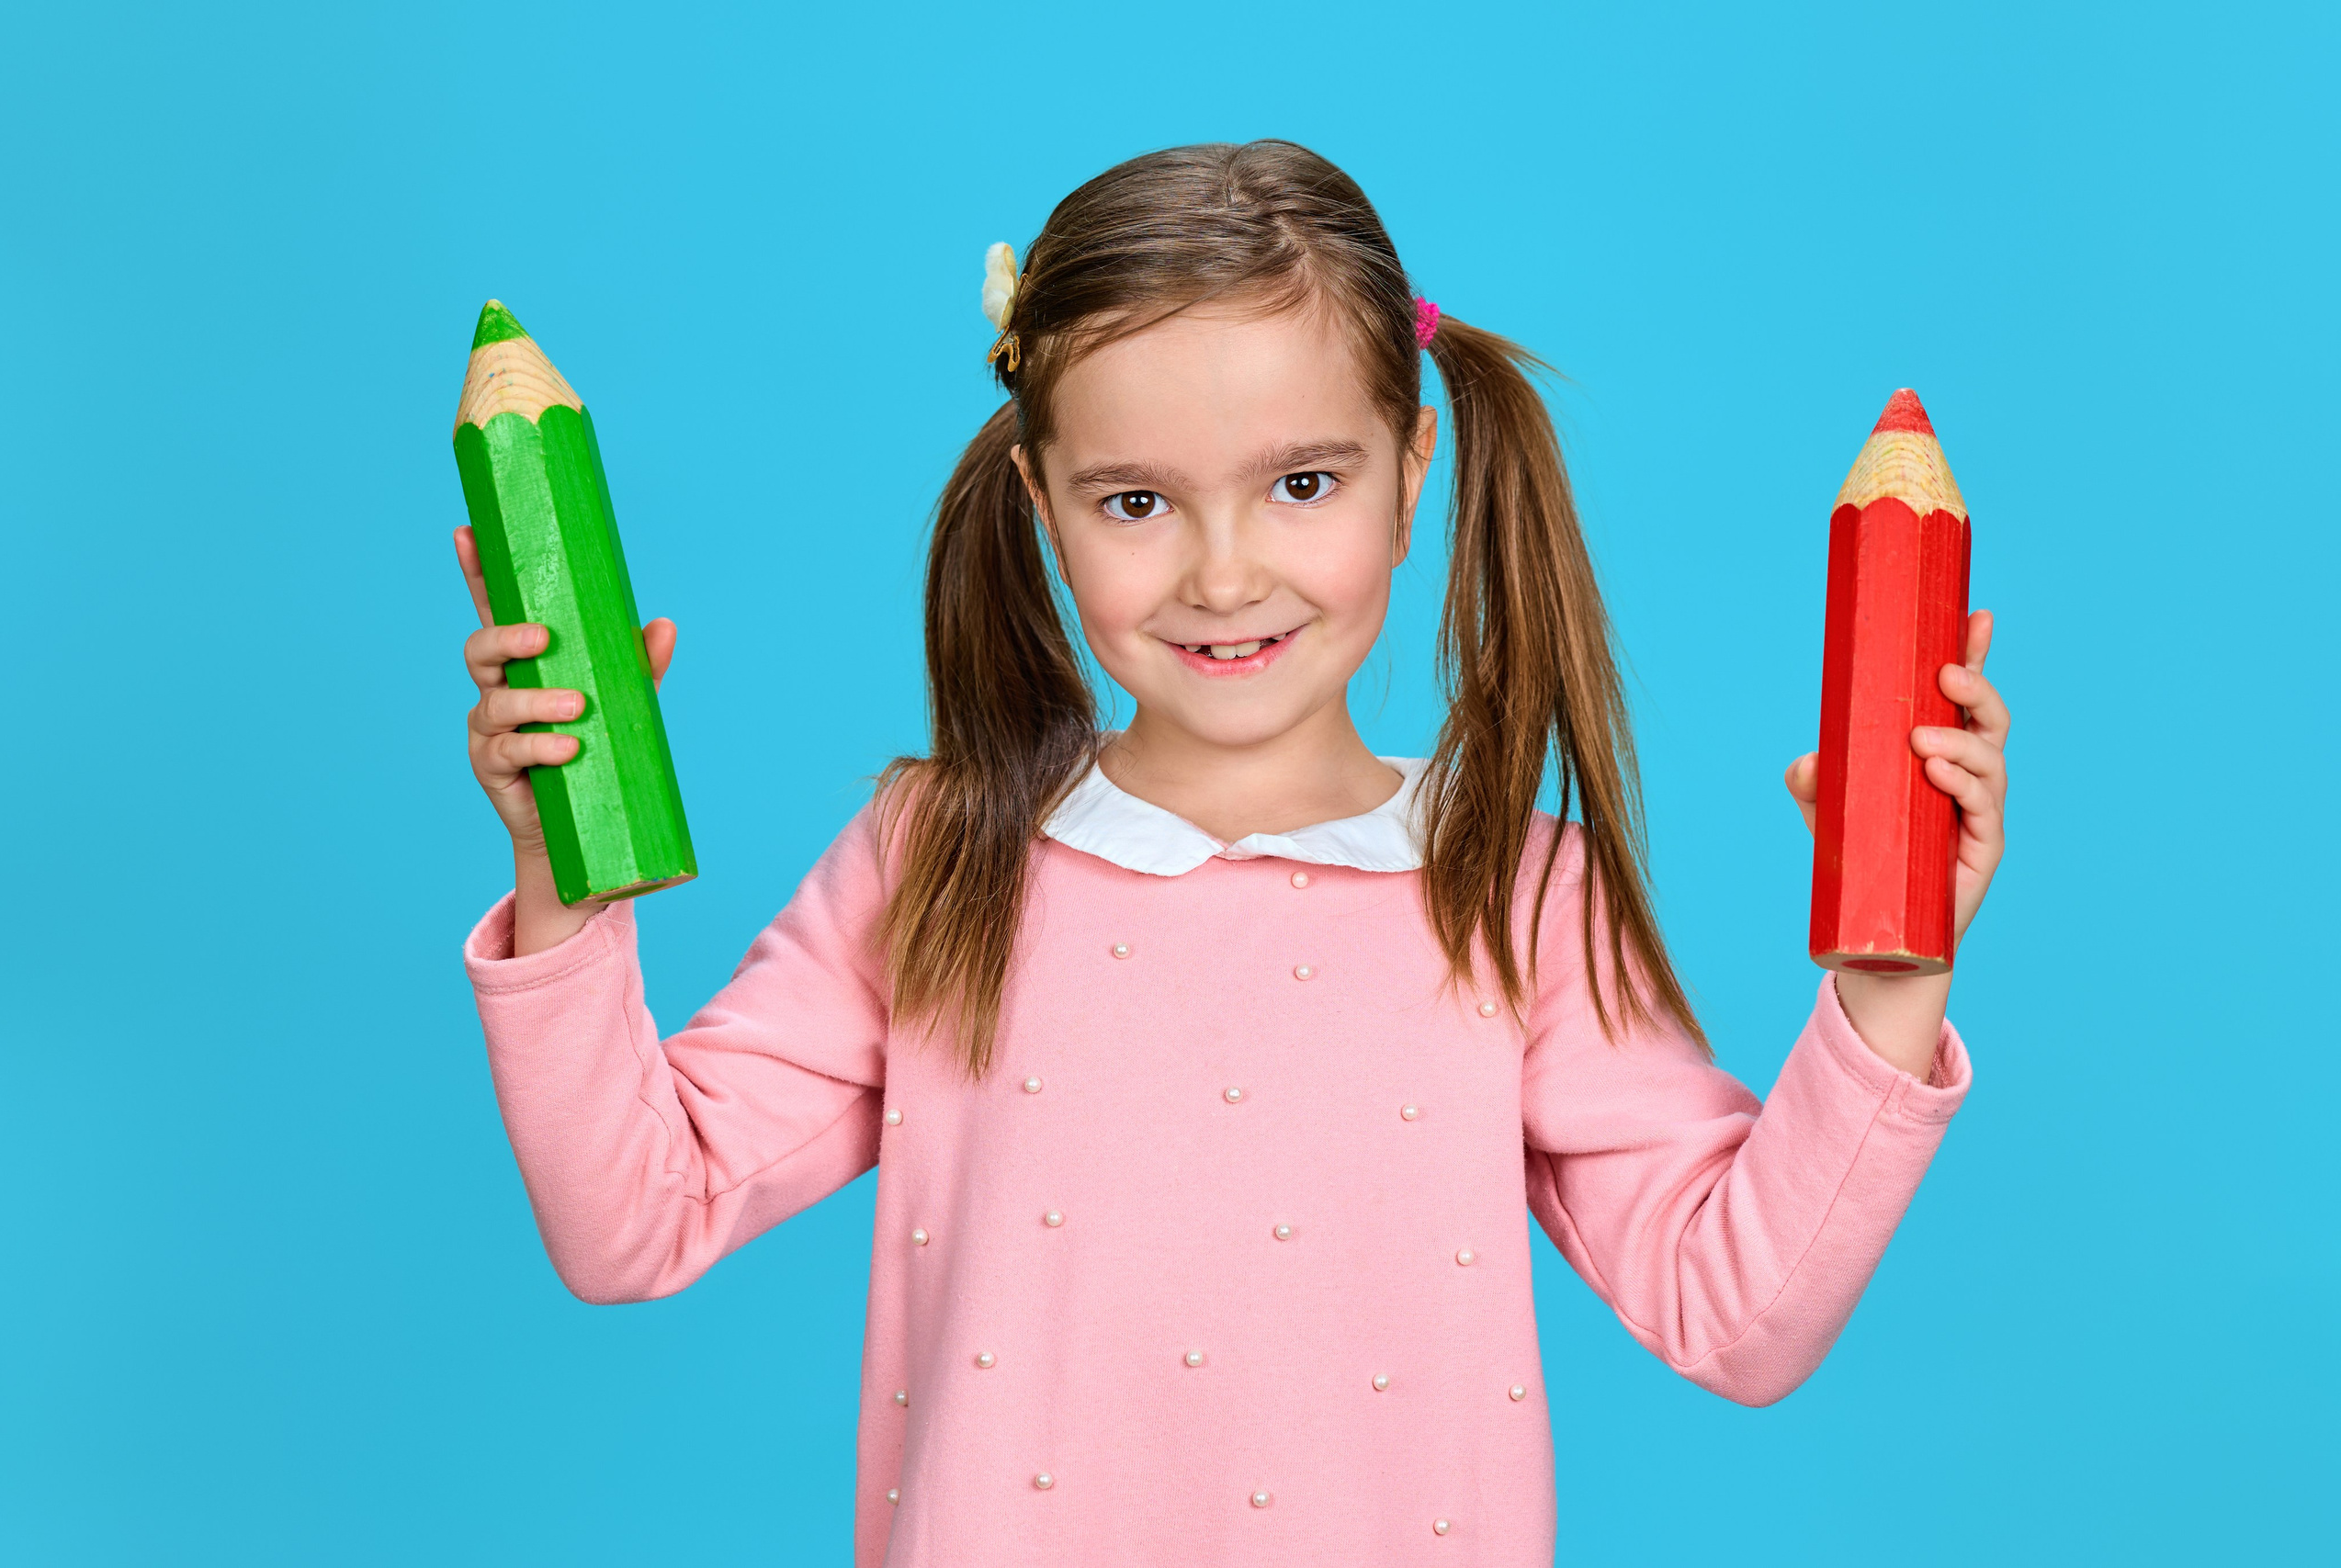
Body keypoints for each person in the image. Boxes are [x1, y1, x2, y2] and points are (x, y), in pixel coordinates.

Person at [452, 141, 2009, 1568]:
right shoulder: (935, 858)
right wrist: (562, 888)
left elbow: (1736, 1313)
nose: (1222, 570)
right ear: (1040, 505)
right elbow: (632, 1222)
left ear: (1411, 479)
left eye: (1302, 484)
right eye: (1135, 500)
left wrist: (1890, 986)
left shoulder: (1514, 892)